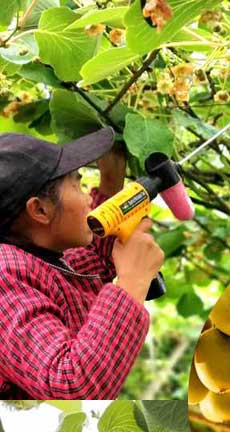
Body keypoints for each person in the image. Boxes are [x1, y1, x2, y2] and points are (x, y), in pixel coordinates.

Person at [0, 127, 165, 398]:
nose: (88, 196)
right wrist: (132, 281)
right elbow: (71, 387)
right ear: (40, 210)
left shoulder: (41, 260)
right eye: (77, 184)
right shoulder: (4, 274)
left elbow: (94, 261)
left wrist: (111, 182)